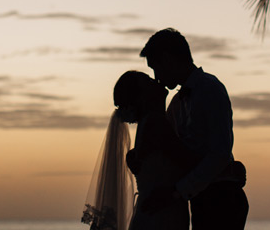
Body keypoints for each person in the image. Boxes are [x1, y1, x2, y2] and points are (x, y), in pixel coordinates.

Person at [140, 28, 249, 230]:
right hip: (200, 199)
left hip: (223, 199)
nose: (156, 78)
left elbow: (219, 153)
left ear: (167, 59)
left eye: (155, 68)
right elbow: (171, 151)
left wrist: (176, 192)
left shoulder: (210, 89)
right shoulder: (176, 104)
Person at [82, 71, 192, 230]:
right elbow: (188, 162)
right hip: (161, 216)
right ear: (143, 96)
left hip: (155, 213)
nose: (157, 81)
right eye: (149, 80)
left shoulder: (148, 124)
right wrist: (227, 169)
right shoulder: (155, 124)